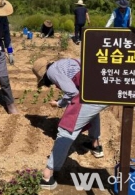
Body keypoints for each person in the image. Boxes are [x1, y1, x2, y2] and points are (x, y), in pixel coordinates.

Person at [32, 57, 108, 190]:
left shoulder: (52, 72)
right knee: (92, 111)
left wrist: (60, 103)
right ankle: (95, 146)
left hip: (91, 91)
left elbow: (72, 92)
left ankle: (47, 175)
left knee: (66, 129)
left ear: (44, 75)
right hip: (101, 89)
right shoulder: (65, 62)